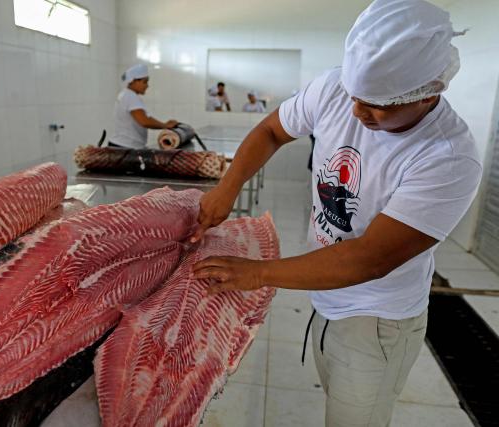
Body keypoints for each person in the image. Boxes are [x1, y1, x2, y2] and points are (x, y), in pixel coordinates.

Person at [191, 1, 481, 426]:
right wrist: (227, 187)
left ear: (429, 91)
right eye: (356, 96)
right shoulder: (335, 89)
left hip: (377, 317)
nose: (359, 112)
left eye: (379, 104)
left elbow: (370, 258)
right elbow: (272, 130)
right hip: (326, 296)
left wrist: (257, 272)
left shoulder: (448, 157)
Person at [108, 64, 178, 149]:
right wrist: (165, 125)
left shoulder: (125, 94)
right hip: (125, 147)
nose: (147, 86)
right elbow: (144, 121)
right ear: (132, 81)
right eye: (144, 82)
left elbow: (144, 118)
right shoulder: (130, 96)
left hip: (121, 145)